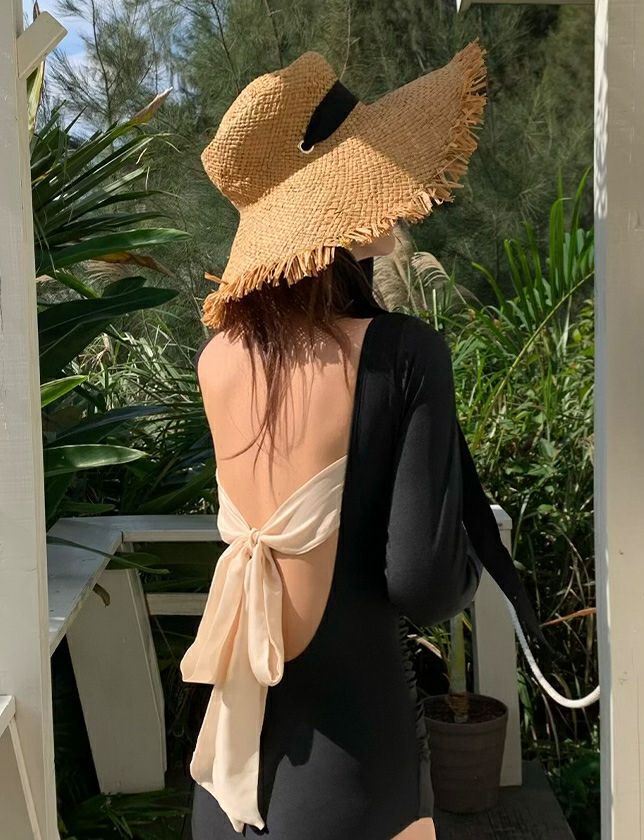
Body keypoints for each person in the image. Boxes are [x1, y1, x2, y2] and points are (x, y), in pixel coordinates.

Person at [182, 42, 489, 840]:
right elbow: (423, 584)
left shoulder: (216, 358)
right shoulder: (402, 353)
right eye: (370, 166)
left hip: (231, 769)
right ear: (335, 209)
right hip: (356, 773)